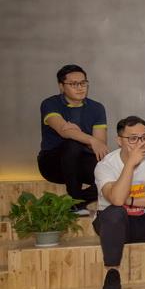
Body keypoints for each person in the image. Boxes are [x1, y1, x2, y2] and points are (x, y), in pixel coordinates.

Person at [93, 116, 145, 289]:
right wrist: (130, 163)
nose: (140, 143)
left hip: (143, 222)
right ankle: (112, 273)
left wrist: (130, 201)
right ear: (119, 140)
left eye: (144, 138)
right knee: (115, 212)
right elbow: (116, 199)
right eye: (133, 139)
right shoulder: (105, 165)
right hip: (112, 226)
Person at [38, 64, 108, 213]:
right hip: (53, 164)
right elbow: (64, 132)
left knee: (112, 174)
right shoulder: (50, 104)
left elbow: (100, 145)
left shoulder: (96, 108)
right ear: (61, 86)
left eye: (83, 83)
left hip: (82, 162)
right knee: (72, 144)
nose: (80, 87)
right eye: (73, 84)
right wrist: (90, 139)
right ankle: (76, 202)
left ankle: (74, 202)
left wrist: (79, 134)